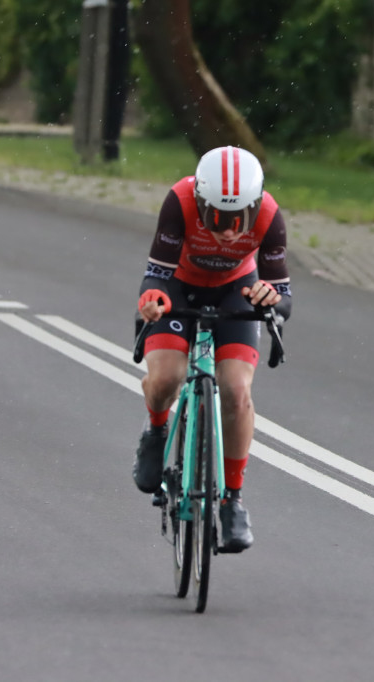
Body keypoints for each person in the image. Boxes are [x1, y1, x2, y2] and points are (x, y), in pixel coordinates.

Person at [133, 145, 292, 553]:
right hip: (178, 287)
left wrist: (270, 297)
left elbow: (283, 294)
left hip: (236, 292)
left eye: (241, 218)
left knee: (237, 392)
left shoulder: (271, 216)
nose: (229, 230)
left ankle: (233, 500)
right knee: (167, 376)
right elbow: (156, 274)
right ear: (201, 203)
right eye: (217, 218)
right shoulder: (180, 201)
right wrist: (152, 300)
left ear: (256, 207)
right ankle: (155, 429)